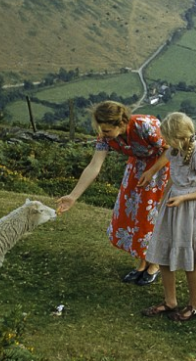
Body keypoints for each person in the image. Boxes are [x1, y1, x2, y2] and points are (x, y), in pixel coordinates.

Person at [57, 101, 169, 285]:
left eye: (107, 130)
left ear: (122, 124)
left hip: (161, 168)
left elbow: (171, 149)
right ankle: (142, 263)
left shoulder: (144, 126)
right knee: (134, 215)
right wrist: (73, 196)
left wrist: (151, 171)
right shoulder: (106, 136)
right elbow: (94, 165)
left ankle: (154, 264)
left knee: (151, 216)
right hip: (138, 167)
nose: (103, 134)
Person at [140, 112, 196, 321]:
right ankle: (170, 301)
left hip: (191, 210)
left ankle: (195, 305)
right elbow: (173, 176)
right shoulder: (175, 150)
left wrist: (184, 199)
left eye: (167, 137)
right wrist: (163, 200)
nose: (165, 141)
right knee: (163, 255)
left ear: (177, 136)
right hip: (172, 206)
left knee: (190, 262)